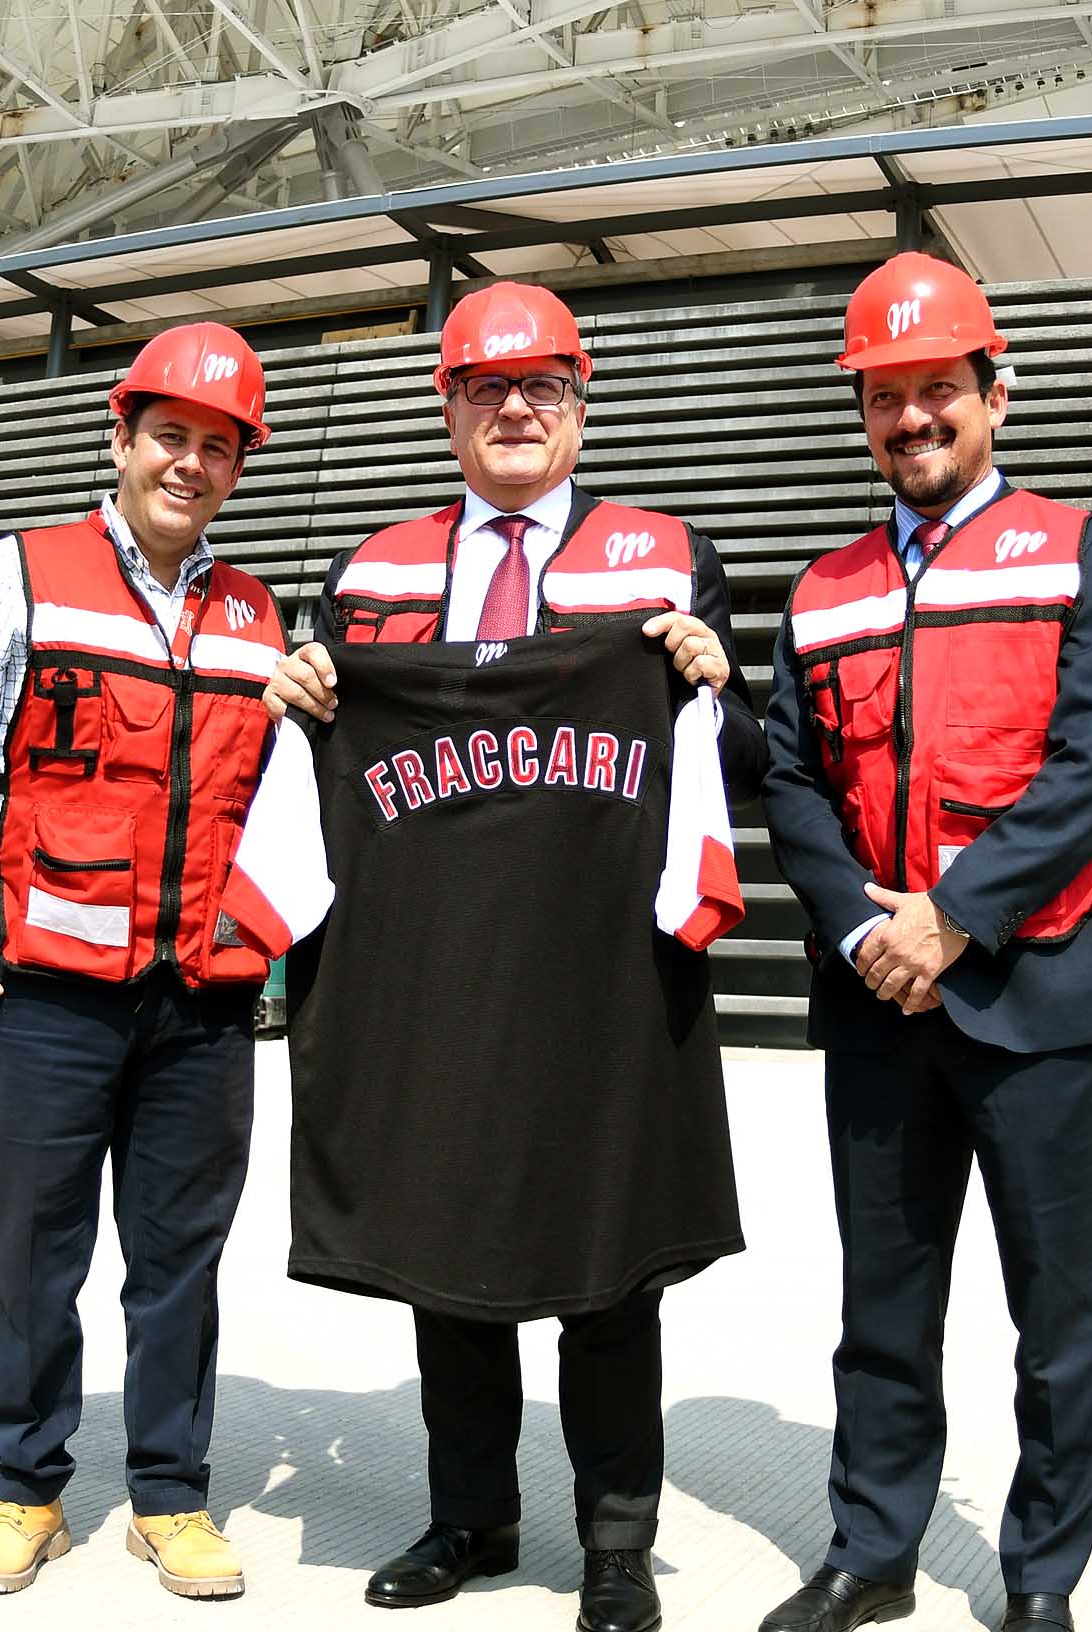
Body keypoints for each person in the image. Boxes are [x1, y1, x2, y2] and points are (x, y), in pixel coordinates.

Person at [265, 279, 758, 1632]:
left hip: (606, 983)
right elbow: (331, 747)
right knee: (448, 1255)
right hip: (434, 975)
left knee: (608, 1274)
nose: (516, 407)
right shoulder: (372, 569)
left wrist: (721, 682)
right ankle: (470, 1518)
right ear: (449, 410)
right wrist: (302, 694)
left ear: (580, 405)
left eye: (542, 385)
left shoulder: (665, 550)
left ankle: (615, 1543)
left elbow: (744, 764)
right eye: (487, 387)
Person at [758, 254, 1092, 1632]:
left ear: (997, 394)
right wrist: (872, 924)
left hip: (1035, 990)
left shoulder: (1080, 550)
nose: (913, 418)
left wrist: (954, 914)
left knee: (1058, 1318)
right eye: (887, 397)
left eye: (940, 390)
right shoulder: (824, 589)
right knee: (884, 1305)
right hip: (880, 999)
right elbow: (793, 778)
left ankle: (1041, 1576)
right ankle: (872, 1556)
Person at [0, 322, 289, 1601]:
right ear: (121, 437)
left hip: (201, 1003)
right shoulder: (19, 574)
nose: (192, 463)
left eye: (218, 446)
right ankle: (24, 1489)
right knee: (33, 1250)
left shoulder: (256, 612)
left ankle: (170, 1495)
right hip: (42, 989)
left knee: (180, 1261)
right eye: (172, 435)